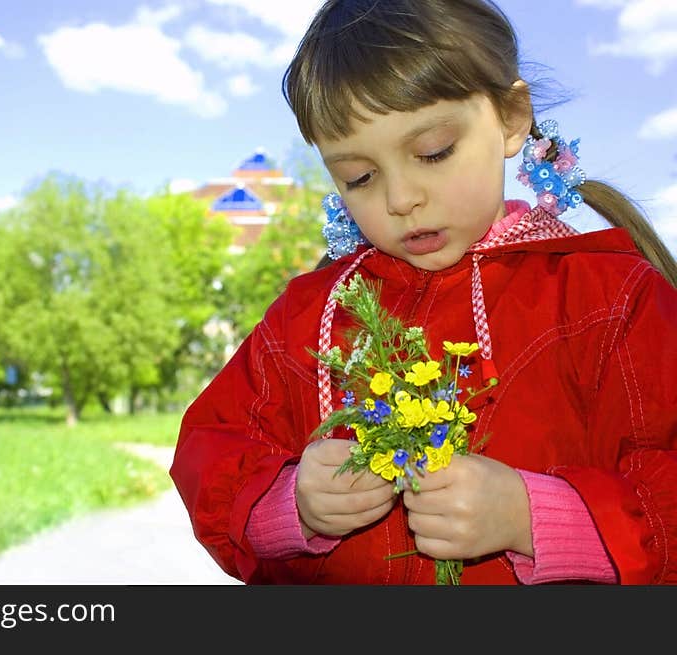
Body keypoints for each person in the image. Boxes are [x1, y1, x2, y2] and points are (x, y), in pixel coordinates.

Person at [170, 0, 677, 584]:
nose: (400, 197)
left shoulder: (609, 300)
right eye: (359, 177)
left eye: (433, 151)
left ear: (511, 118)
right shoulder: (308, 319)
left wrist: (532, 517)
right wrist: (292, 504)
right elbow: (214, 451)